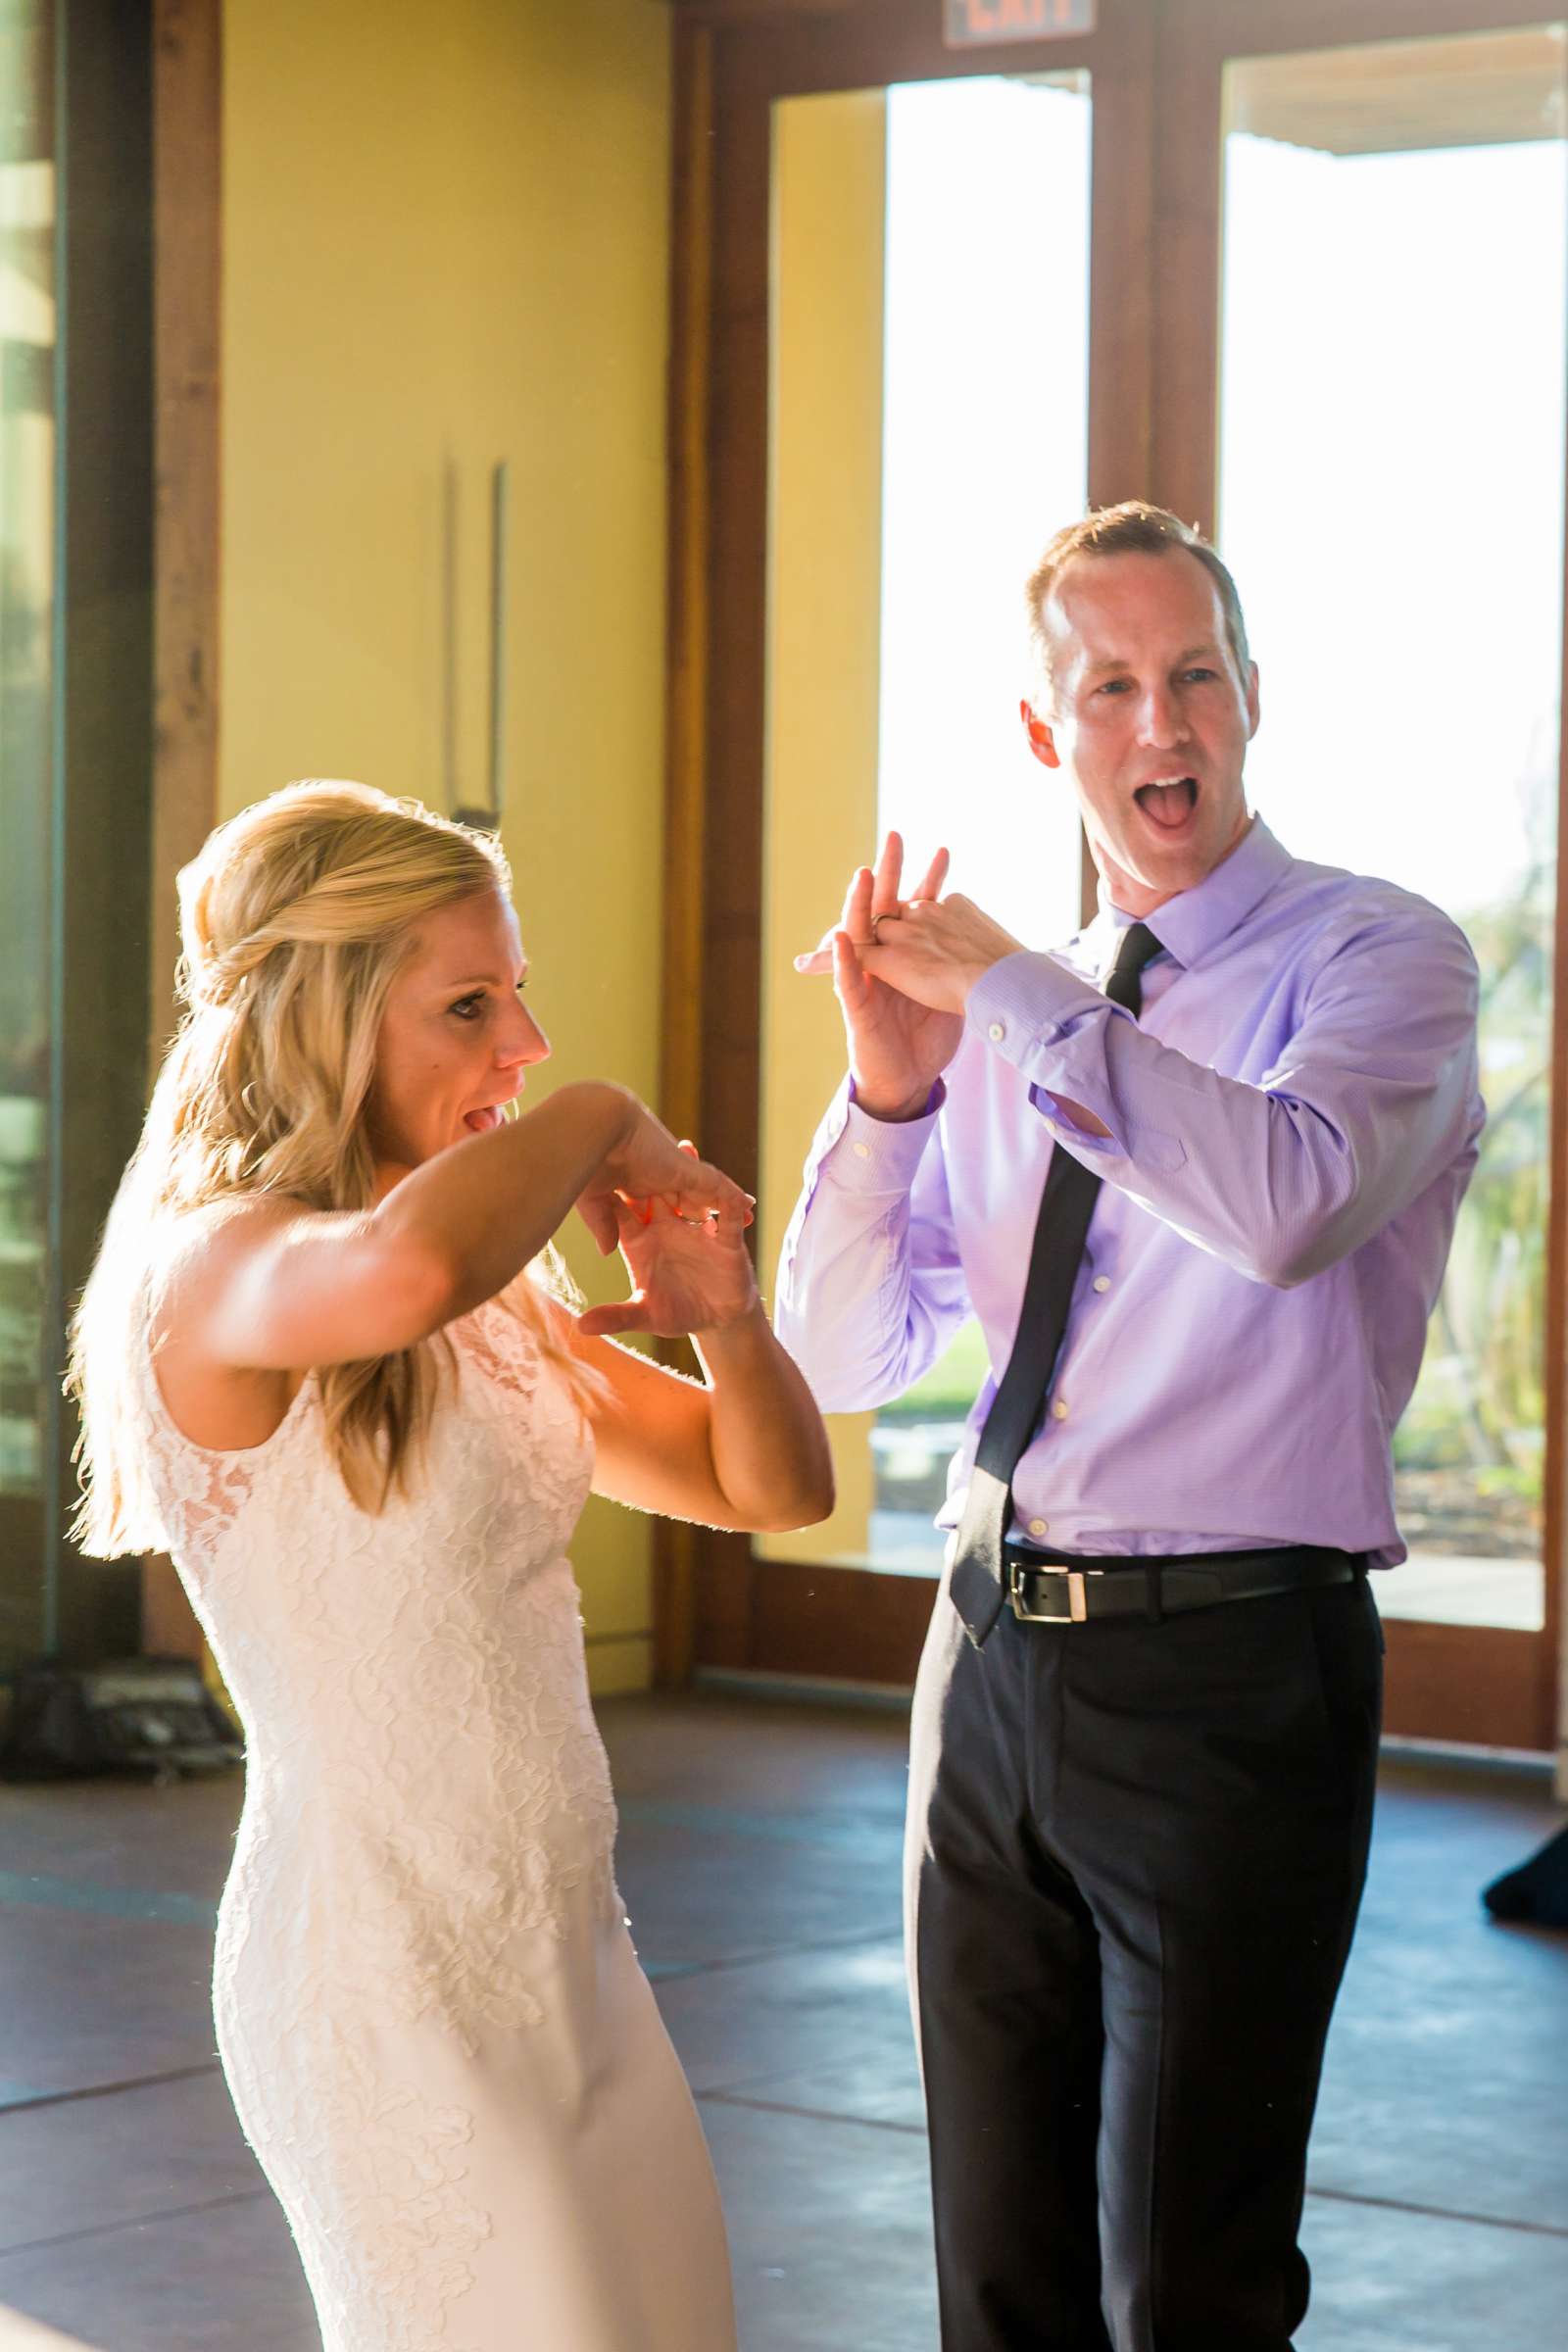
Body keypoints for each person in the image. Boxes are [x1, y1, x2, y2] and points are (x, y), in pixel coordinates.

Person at [778, 503, 1484, 2351]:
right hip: (988, 1661)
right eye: (1111, 688)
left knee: (1188, 2286)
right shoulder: (1005, 1024)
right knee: (995, 2277)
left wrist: (1014, 991)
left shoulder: (1380, 960)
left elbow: (1281, 1205)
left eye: (1193, 679)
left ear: (1253, 698)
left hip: (1234, 1681)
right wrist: (889, 1094)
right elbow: (847, 1351)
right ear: (1048, 735)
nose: (1160, 725)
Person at [70, 779, 834, 2352]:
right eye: (472, 1004)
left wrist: (722, 1315)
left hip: (573, 1961)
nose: (526, 1046)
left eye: (525, 997)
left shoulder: (504, 1291)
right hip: (378, 1981)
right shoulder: (221, 1263)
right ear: (329, 1016)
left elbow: (767, 1487)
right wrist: (613, 1116)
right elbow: (407, 1265)